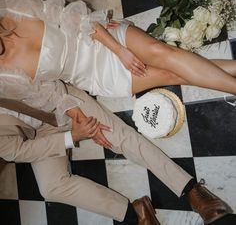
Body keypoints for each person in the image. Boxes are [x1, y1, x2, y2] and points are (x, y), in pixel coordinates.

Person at [0, 79, 233, 224]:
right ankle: (135, 214)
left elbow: (43, 78)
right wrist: (72, 137)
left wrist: (78, 119)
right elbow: (17, 151)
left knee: (118, 137)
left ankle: (191, 189)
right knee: (51, 187)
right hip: (40, 133)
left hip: (61, 102)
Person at [0, 0, 235, 99]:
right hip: (97, 76)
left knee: (161, 52)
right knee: (171, 74)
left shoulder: (14, 9)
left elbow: (76, 18)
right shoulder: (4, 77)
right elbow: (52, 94)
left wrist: (118, 50)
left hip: (99, 38)